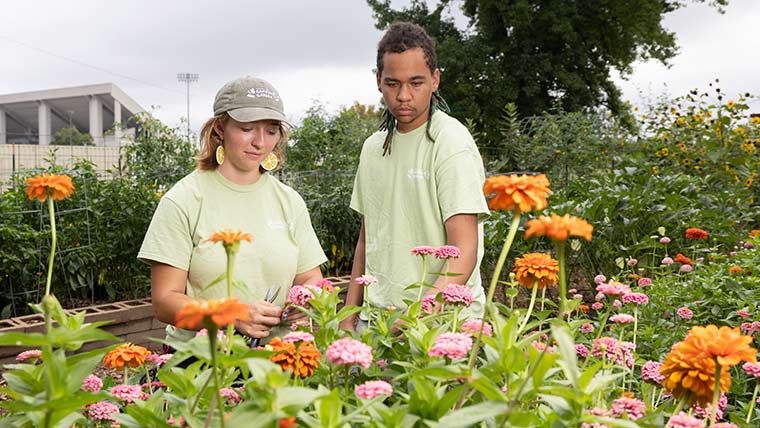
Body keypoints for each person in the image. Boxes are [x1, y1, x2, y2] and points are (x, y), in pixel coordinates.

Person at [139, 76, 327, 345]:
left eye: (272, 131)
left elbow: (310, 276)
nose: (260, 142)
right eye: (247, 128)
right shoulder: (184, 200)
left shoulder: (289, 201)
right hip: (203, 365)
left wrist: (304, 302)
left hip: (278, 359)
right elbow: (165, 302)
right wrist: (230, 316)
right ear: (219, 128)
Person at [341, 22, 489, 330]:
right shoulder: (373, 148)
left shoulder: (450, 142)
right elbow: (367, 242)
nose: (404, 95)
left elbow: (464, 251)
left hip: (444, 324)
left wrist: (414, 318)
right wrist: (348, 319)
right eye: (393, 84)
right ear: (378, 80)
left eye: (416, 83)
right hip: (377, 322)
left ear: (435, 80)